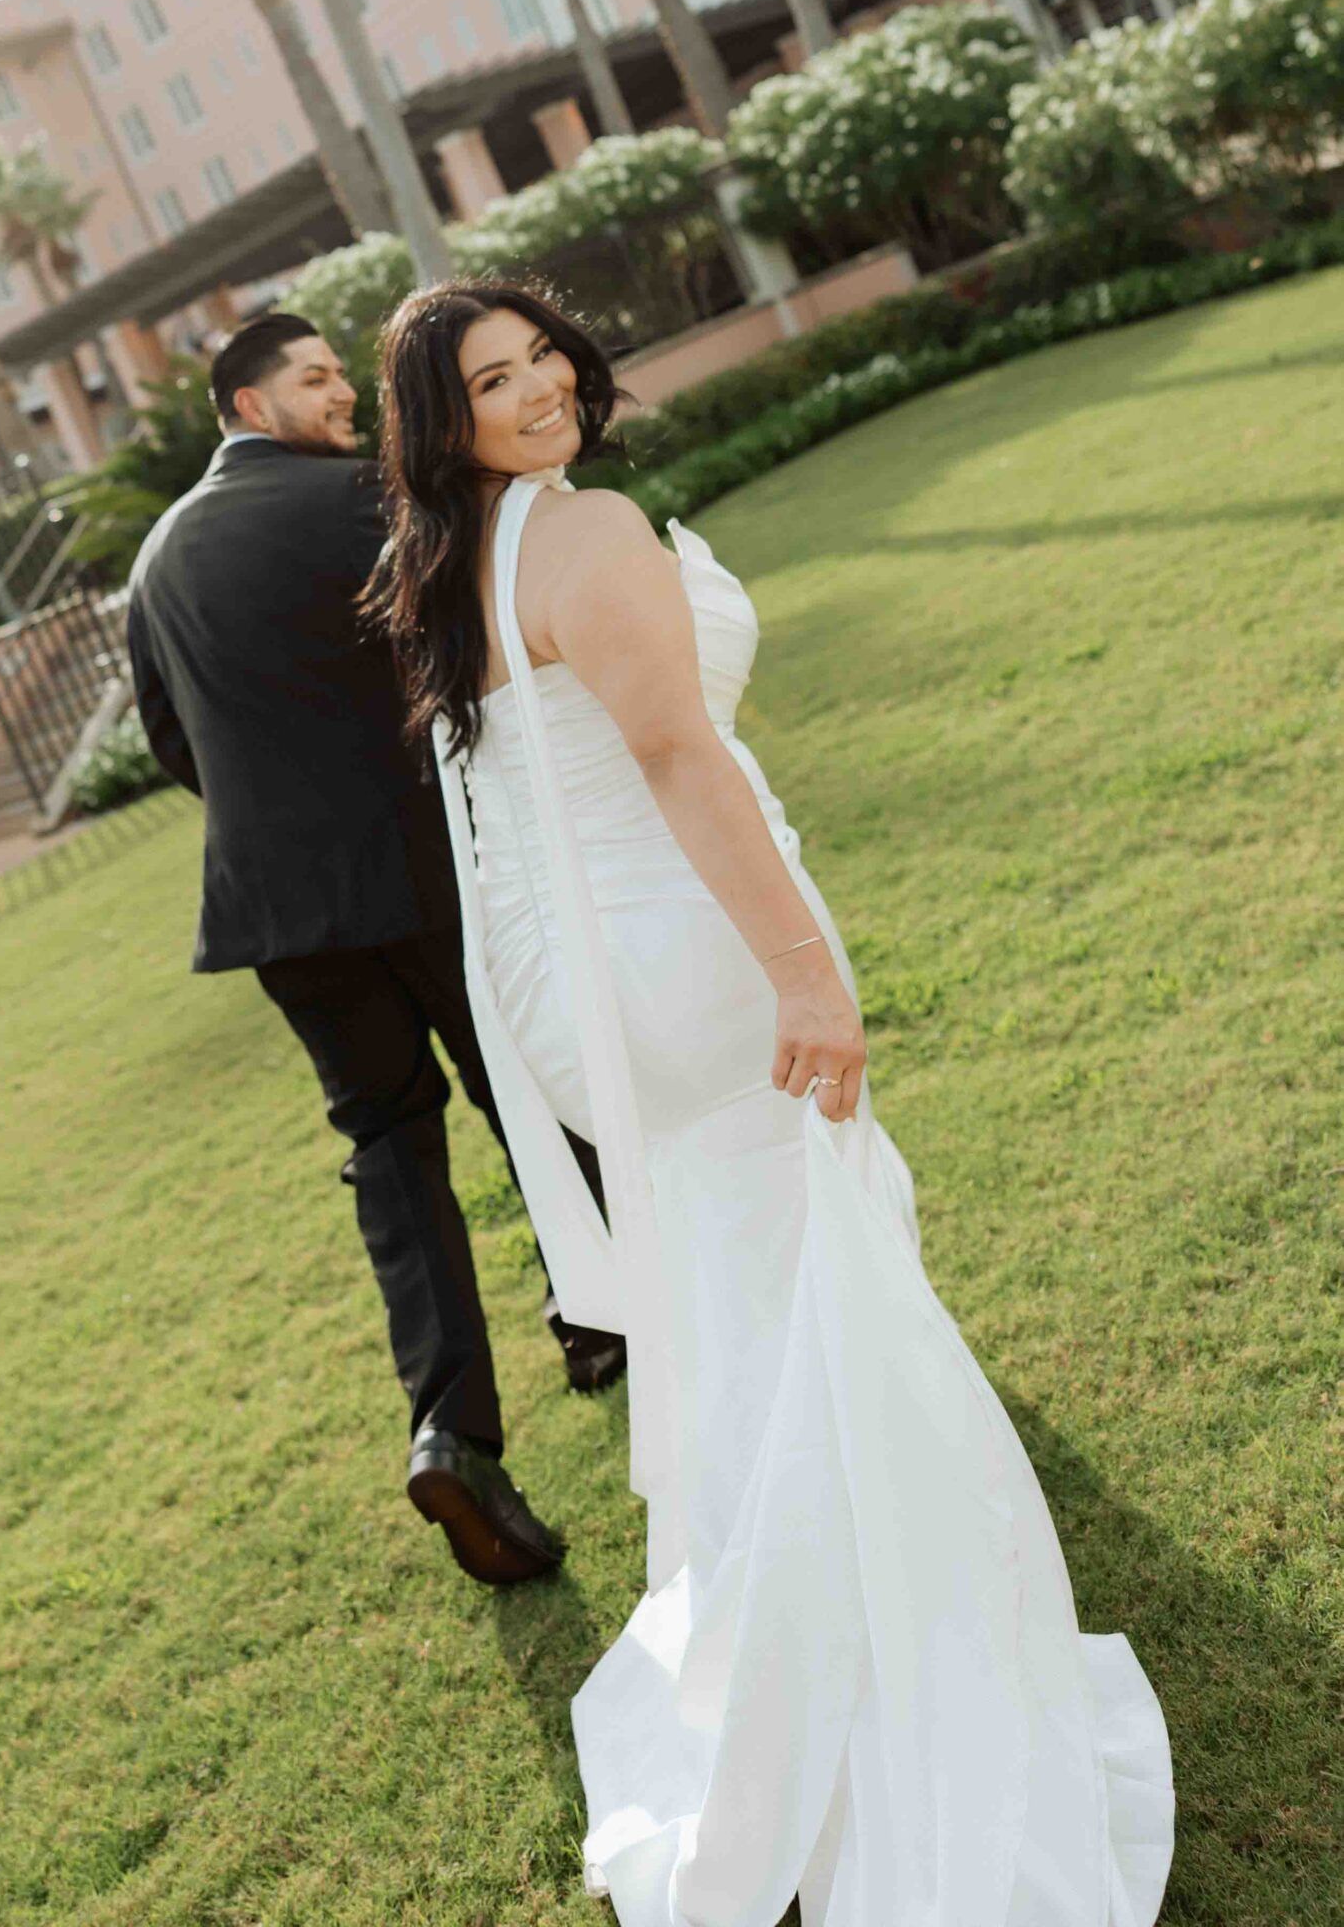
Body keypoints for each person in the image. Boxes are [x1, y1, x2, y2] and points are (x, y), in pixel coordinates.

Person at [366, 279, 1174, 1926]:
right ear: (440, 427)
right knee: (826, 1300)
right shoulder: (575, 532)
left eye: (539, 360)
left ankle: (775, 1675)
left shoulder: (471, 563)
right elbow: (674, 755)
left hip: (607, 999)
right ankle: (883, 1702)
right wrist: (803, 973)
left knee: (749, 1311)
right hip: (694, 958)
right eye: (489, 384)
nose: (535, 396)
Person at [125, 311, 622, 1591]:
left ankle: (452, 1427)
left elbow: (171, 741)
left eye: (343, 372)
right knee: (528, 1080)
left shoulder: (156, 558)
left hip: (282, 914)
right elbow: (461, 646)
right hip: (421, 864)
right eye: (315, 377)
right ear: (244, 400)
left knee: (390, 1151)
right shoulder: (366, 500)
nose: (345, 391)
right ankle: (612, 1313)